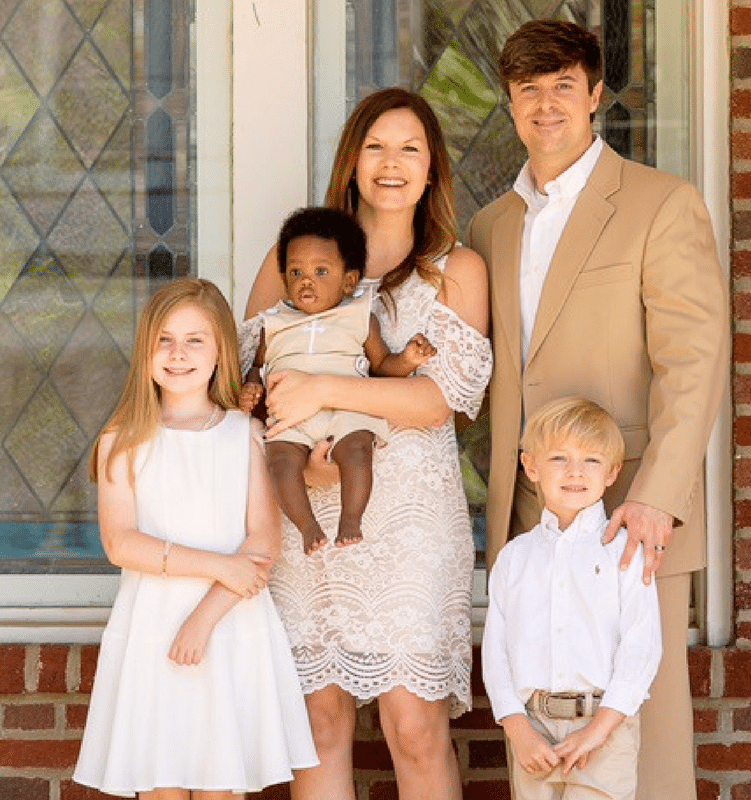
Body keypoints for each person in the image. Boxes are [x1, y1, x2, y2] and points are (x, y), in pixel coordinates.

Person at [467, 19, 728, 800]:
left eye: (562, 87)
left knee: (643, 740)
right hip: (530, 518)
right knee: (542, 752)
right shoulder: (489, 226)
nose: (546, 106)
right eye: (528, 91)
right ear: (510, 103)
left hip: (631, 518)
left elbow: (694, 363)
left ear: (595, 95)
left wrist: (655, 500)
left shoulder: (661, 204)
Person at [244, 88, 492, 800]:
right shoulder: (291, 260)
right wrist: (294, 448)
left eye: (410, 148)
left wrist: (328, 392)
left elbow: (438, 401)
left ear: (432, 168)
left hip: (412, 522)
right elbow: (248, 381)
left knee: (413, 724)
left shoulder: (458, 270)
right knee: (318, 718)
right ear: (352, 161)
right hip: (309, 513)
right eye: (376, 147)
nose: (392, 164)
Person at [73, 278, 318, 799]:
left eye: (194, 340)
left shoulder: (248, 435)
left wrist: (204, 617)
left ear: (220, 353)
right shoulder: (122, 439)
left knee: (220, 786)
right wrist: (219, 564)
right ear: (145, 350)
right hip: (153, 628)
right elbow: (121, 543)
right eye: (164, 339)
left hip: (227, 624)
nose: (177, 353)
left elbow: (262, 544)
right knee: (160, 784)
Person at [482, 396, 662, 800]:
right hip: (534, 730)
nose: (575, 472)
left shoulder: (625, 552)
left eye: (592, 461)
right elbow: (496, 652)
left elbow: (641, 647)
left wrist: (598, 732)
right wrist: (517, 728)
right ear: (531, 467)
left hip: (603, 727)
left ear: (614, 471)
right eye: (559, 458)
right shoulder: (515, 557)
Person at [239, 206, 436, 554]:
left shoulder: (359, 317)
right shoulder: (275, 322)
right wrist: (251, 386)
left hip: (347, 410)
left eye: (321, 271)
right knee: (280, 461)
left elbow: (382, 366)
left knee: (358, 450)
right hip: (291, 418)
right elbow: (258, 367)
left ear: (348, 280)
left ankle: (351, 519)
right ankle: (307, 527)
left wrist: (407, 360)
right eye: (296, 271)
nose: (306, 280)